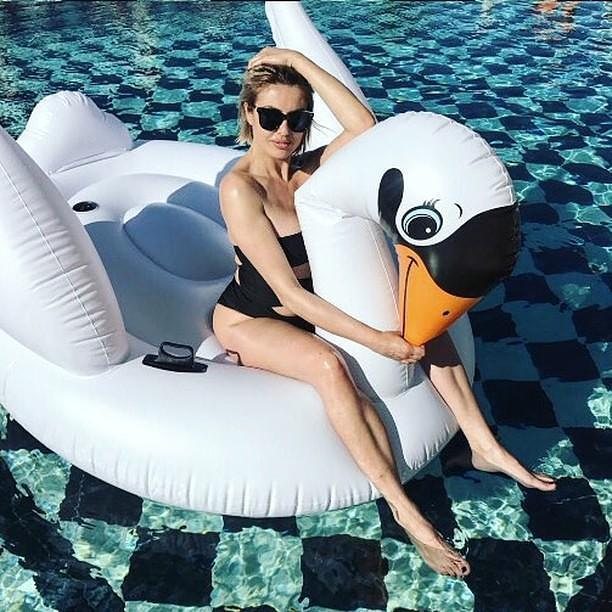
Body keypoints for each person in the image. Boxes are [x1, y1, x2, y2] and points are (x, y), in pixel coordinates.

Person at [212, 47, 556, 578]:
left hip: (311, 306)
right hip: (254, 316)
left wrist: (296, 60)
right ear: (249, 115)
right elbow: (290, 294)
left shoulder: (307, 169)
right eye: (272, 116)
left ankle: (482, 443)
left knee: (418, 319)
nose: (285, 131)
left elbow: (364, 126)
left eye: (298, 119)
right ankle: (407, 514)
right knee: (329, 366)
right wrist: (376, 342)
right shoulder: (241, 189)